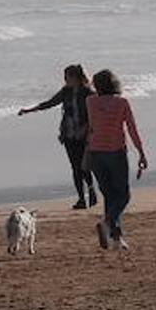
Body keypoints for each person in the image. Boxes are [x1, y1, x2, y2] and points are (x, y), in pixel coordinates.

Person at [19, 64, 98, 209]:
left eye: (67, 76)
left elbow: (94, 115)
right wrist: (29, 110)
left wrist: (85, 128)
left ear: (76, 77)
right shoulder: (66, 91)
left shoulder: (88, 93)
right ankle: (81, 199)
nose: (65, 79)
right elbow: (50, 103)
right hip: (68, 134)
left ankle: (92, 190)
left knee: (84, 165)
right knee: (75, 167)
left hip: (84, 135)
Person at [84, 69, 147, 251]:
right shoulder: (122, 103)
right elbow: (132, 129)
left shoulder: (90, 102)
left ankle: (116, 239)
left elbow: (92, 126)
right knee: (123, 195)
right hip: (115, 152)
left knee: (110, 197)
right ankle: (107, 224)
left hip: (96, 153)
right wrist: (141, 152)